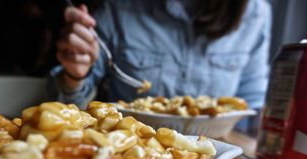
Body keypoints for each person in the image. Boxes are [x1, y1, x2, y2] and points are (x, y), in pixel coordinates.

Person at [46, 0, 272, 111]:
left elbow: (251, 107)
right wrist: (74, 75)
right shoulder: (118, 8)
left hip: (220, 157)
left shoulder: (256, 13)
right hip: (131, 148)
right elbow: (68, 103)